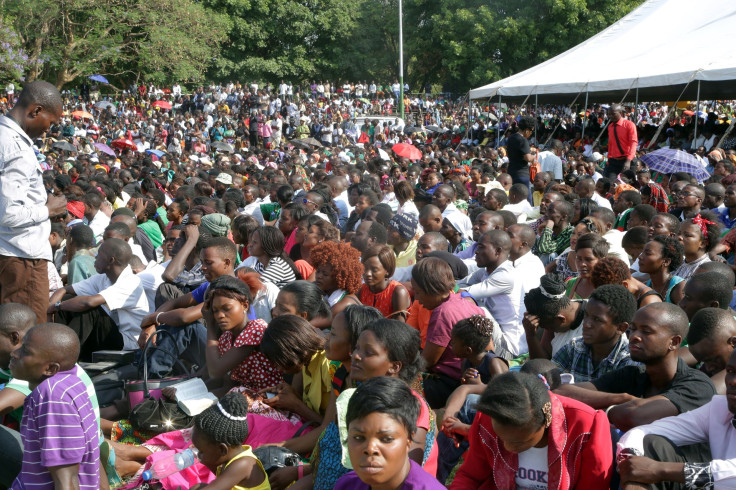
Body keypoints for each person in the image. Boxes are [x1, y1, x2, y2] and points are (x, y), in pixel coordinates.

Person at [555, 303, 717, 432]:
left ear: (674, 342)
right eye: (633, 330)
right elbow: (560, 393)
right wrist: (621, 398)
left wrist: (602, 407)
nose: (634, 337)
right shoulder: (632, 374)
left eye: (646, 331)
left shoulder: (698, 385)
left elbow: (633, 416)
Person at [450, 372, 613, 489]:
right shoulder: (489, 416)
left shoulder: (587, 426)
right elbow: (471, 475)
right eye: (501, 437)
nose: (507, 447)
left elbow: (594, 486)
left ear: (547, 418)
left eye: (520, 442)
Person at [616, 347, 736, 490]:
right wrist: (631, 460)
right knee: (651, 444)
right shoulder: (719, 409)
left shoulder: (697, 385)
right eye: (730, 372)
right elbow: (644, 432)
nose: (732, 381)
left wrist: (659, 469)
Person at [0, 80, 67, 324]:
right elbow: (9, 214)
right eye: (51, 122)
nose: (49, 129)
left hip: (10, 253)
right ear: (36, 111)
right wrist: (47, 210)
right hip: (21, 258)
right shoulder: (16, 148)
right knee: (25, 337)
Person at [9, 323, 99, 489]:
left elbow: (66, 480)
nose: (14, 353)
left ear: (50, 368)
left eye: (26, 352)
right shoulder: (71, 382)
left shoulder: (52, 396)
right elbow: (94, 459)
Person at [334, 377, 445, 490]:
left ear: (409, 439)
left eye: (386, 439)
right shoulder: (346, 485)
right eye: (359, 437)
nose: (370, 448)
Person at [48, 238, 148, 359]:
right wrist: (51, 308)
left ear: (111, 260)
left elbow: (89, 303)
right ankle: (54, 345)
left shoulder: (131, 282)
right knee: (69, 299)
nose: (94, 256)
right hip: (106, 334)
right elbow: (64, 290)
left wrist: (57, 306)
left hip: (127, 342)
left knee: (90, 310)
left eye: (99, 254)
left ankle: (64, 354)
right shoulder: (103, 278)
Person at [411, 257, 486, 408]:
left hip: (450, 382)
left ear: (430, 289)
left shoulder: (442, 312)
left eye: (418, 293)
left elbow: (428, 361)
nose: (417, 300)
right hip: (471, 375)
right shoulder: (465, 301)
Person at [201, 275, 282, 393]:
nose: (220, 315)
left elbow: (215, 371)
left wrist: (210, 325)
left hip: (268, 397)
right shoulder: (226, 338)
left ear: (245, 305)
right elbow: (228, 383)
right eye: (215, 311)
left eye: (226, 308)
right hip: (243, 395)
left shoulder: (256, 330)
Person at [553, 284, 639, 383]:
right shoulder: (574, 346)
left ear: (621, 327)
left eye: (597, 319)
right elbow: (549, 378)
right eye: (586, 315)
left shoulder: (629, 360)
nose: (586, 324)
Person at [460, 230, 524, 359]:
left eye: (481, 247)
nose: (476, 251)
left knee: (471, 303)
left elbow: (462, 293)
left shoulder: (505, 275)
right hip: (496, 333)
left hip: (509, 347)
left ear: (498, 251)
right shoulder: (486, 271)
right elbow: (460, 284)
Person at [190, 393, 269, 490]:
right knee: (198, 487)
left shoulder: (243, 464)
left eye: (201, 451)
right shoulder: (227, 458)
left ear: (222, 450)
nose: (198, 455)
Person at [523, 272, 588, 360]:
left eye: (548, 327)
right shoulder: (553, 316)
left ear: (561, 319)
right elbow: (543, 363)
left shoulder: (593, 322)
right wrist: (530, 336)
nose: (548, 330)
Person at [687, 307, 736, 395]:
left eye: (714, 360)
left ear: (734, 343)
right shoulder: (707, 367)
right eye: (704, 361)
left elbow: (706, 396)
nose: (709, 368)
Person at [310, 241, 362, 316]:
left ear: (339, 278)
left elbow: (311, 323)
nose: (319, 276)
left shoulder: (347, 301)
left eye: (325, 274)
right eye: (318, 271)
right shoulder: (324, 292)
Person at [359, 245, 411, 320]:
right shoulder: (362, 290)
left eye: (374, 270)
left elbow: (399, 327)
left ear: (387, 271)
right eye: (364, 268)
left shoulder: (397, 292)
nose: (368, 274)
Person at [591, 257, 662, 308]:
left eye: (612, 294)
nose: (610, 298)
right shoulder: (627, 297)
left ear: (625, 285)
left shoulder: (649, 301)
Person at [638, 236, 686, 304]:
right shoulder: (646, 285)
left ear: (666, 261)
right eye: (642, 252)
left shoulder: (678, 287)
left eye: (648, 253)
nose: (640, 257)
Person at [673, 214, 720, 279]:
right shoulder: (680, 264)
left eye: (687, 235)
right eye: (679, 233)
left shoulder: (706, 270)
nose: (679, 237)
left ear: (702, 243)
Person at [564, 233, 610, 300]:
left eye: (588, 259)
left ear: (602, 260)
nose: (582, 264)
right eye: (579, 259)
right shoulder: (569, 284)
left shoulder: (608, 290)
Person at [506, 116, 536, 200]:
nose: (530, 133)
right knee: (527, 199)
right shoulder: (523, 140)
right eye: (531, 131)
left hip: (511, 171)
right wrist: (534, 156)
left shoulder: (511, 138)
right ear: (526, 129)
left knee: (515, 198)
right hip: (522, 174)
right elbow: (528, 158)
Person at [606, 104, 637, 179]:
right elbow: (611, 144)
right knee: (611, 184)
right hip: (613, 161)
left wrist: (628, 161)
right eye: (609, 114)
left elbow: (633, 142)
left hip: (627, 160)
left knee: (627, 185)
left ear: (621, 113)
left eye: (613, 114)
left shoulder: (629, 125)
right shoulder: (610, 126)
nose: (610, 116)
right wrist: (609, 158)